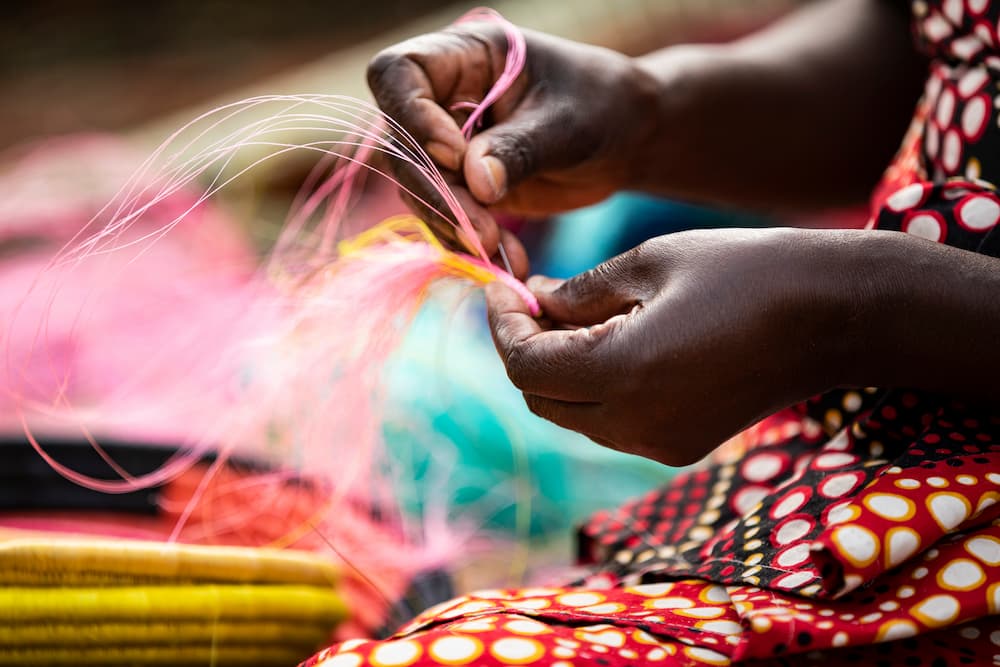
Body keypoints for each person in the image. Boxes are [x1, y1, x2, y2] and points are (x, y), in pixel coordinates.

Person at [302, 1, 1000, 665]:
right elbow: (932, 45)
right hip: (850, 472)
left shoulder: (853, 319)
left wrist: (854, 308)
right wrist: (646, 109)